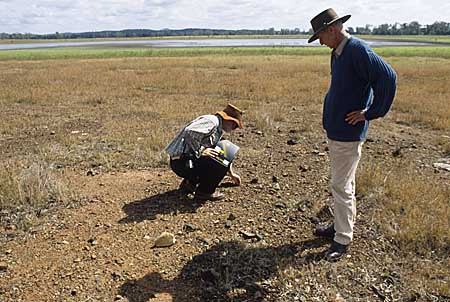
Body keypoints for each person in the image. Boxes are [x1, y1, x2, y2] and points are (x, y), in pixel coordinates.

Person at [307, 8, 397, 260]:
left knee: (340, 185)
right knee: (343, 182)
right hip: (338, 129)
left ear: (332, 30)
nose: (321, 42)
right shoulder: (339, 52)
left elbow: (388, 77)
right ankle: (339, 226)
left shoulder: (357, 50)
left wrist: (370, 113)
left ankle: (342, 239)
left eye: (321, 36)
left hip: (348, 132)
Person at [164, 104, 243, 201]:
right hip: (182, 162)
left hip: (184, 161)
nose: (233, 129)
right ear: (228, 120)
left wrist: (231, 174)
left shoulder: (217, 127)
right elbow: (190, 132)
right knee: (224, 152)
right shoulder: (213, 121)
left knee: (226, 148)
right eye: (234, 125)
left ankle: (190, 184)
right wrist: (201, 150)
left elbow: (223, 151)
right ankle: (205, 192)